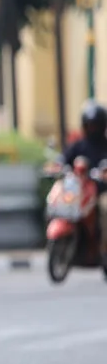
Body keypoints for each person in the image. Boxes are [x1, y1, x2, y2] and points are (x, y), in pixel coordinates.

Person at [63, 102, 107, 259]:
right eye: (89, 125)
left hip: (100, 192)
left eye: (95, 125)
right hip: (79, 192)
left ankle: (104, 248)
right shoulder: (78, 146)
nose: (92, 129)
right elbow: (63, 160)